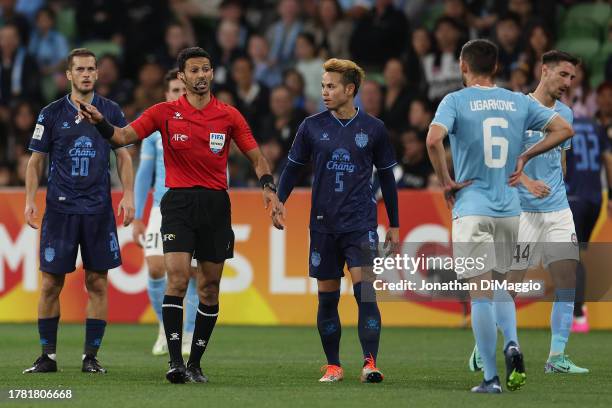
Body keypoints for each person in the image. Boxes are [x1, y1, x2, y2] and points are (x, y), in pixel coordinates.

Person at [77, 47, 282, 384]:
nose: (201, 75)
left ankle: (196, 362)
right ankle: (174, 361)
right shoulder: (163, 112)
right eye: (194, 70)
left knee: (210, 288)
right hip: (177, 204)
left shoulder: (229, 116)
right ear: (182, 77)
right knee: (176, 277)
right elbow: (124, 136)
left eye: (206, 69)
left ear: (212, 74)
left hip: (216, 205)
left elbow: (257, 156)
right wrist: (102, 124)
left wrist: (268, 187)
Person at [426, 39, 573, 393]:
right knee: (503, 290)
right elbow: (564, 130)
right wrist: (524, 158)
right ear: (495, 68)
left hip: (473, 207)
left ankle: (491, 378)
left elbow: (433, 140)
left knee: (480, 294)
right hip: (511, 210)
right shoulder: (517, 101)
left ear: (463, 66)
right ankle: (512, 343)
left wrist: (447, 182)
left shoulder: (455, 100)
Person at [274, 58, 400, 383]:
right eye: (323, 86)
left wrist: (395, 224)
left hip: (360, 223)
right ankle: (333, 365)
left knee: (365, 294)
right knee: (327, 298)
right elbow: (292, 168)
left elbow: (387, 179)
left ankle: (370, 363)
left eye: (331, 86)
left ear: (350, 89)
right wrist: (278, 200)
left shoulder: (374, 129)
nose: (325, 92)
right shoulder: (311, 126)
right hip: (323, 225)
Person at [469, 50, 591, 376]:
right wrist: (526, 180)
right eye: (563, 75)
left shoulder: (565, 113)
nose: (568, 83)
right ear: (544, 70)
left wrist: (553, 181)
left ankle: (557, 356)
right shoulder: (517, 109)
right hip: (522, 212)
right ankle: (484, 345)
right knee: (511, 285)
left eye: (572, 78)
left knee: (567, 280)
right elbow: (503, 157)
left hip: (558, 210)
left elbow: (561, 161)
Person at [23, 48, 135, 374]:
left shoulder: (111, 110)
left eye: (91, 69)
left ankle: (90, 357)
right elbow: (36, 160)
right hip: (60, 210)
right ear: (69, 75)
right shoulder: (51, 113)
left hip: (98, 209)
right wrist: (30, 199)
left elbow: (124, 156)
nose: (86, 74)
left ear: (97, 74)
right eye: (80, 69)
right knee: (49, 284)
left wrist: (128, 194)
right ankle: (48, 357)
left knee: (98, 283)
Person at [132, 68, 199, 357]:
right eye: (174, 90)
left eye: (183, 90)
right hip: (162, 207)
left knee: (194, 273)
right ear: (166, 94)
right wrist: (136, 215)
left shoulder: (206, 124)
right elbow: (144, 173)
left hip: (198, 207)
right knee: (157, 268)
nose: (179, 95)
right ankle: (165, 326)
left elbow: (224, 170)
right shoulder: (155, 130)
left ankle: (188, 334)